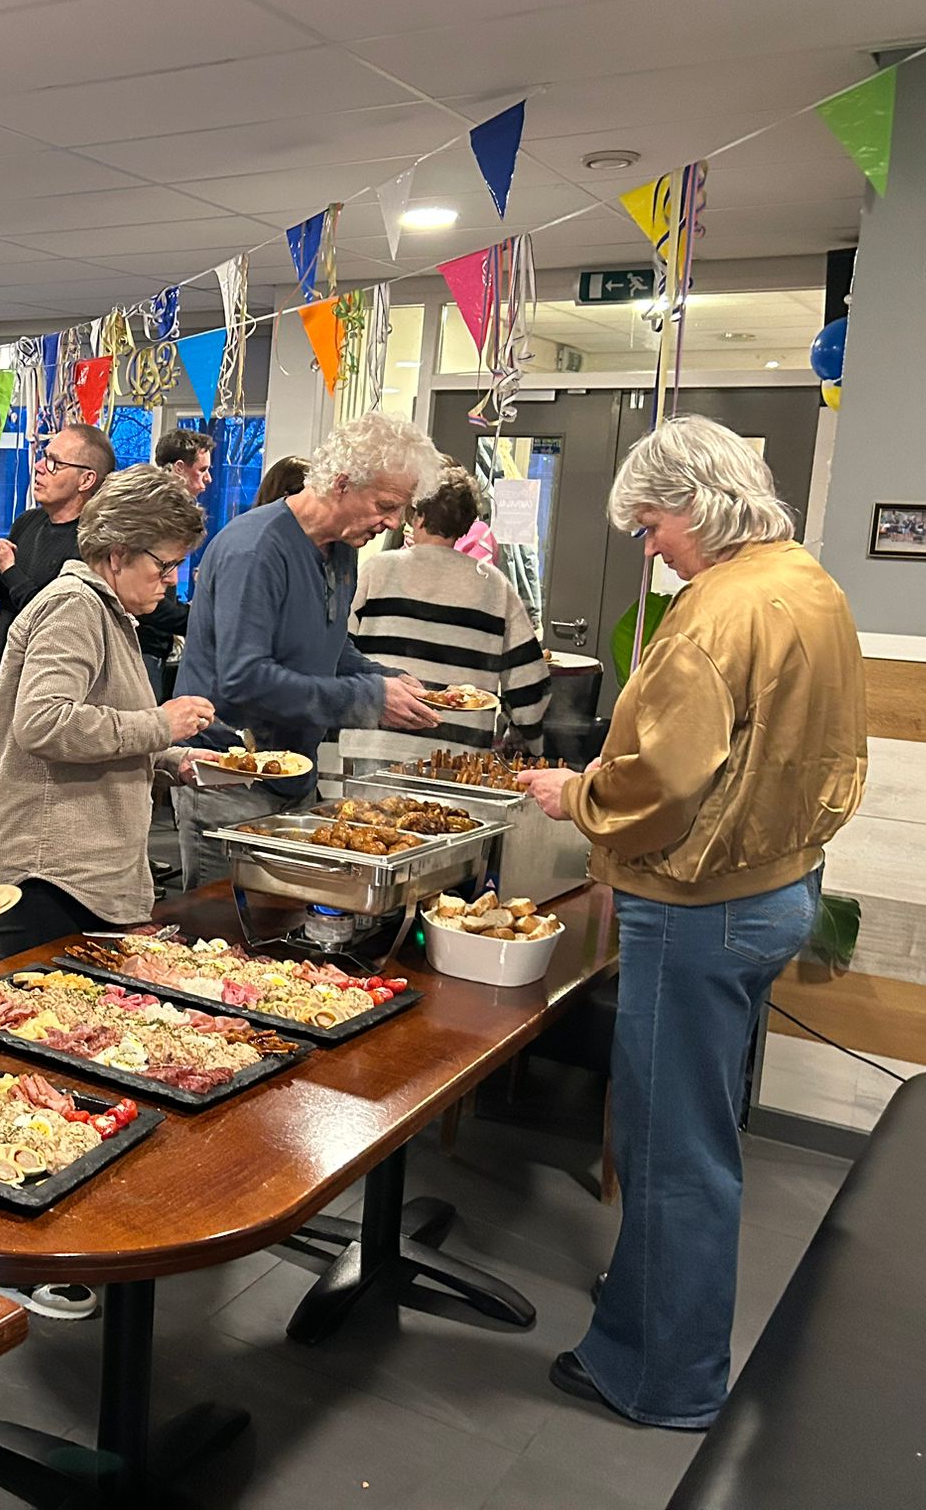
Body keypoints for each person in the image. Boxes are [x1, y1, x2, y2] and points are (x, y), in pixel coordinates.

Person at [515, 415, 867, 1431]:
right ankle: (649, 1302)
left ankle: (662, 1378)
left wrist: (577, 793)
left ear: (697, 507)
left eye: (651, 526)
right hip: (779, 888)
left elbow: (665, 785)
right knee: (699, 1132)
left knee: (672, 1150)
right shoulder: (806, 582)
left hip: (701, 908)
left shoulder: (712, 613)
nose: (650, 548)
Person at [170, 413, 442, 888]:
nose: (394, 523)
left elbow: (328, 646)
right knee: (223, 926)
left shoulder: (342, 548)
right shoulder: (255, 550)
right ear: (341, 483)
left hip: (295, 777)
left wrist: (384, 679)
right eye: (386, 505)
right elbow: (244, 679)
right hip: (229, 780)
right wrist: (368, 699)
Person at [0, 465, 218, 955]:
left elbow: (100, 723)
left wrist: (172, 760)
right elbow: (43, 723)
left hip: (83, 871)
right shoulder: (75, 606)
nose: (171, 580)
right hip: (53, 876)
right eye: (164, 565)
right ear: (118, 554)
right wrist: (161, 725)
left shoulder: (106, 609)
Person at [341, 465, 550, 775]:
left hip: (376, 742)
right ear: (466, 525)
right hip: (457, 756)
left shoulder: (377, 570)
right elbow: (530, 682)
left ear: (418, 516)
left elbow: (339, 649)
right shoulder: (494, 586)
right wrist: (525, 741)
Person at [0, 423, 115, 669]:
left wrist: (9, 571)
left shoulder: (93, 542)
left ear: (86, 480)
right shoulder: (28, 522)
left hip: (52, 679)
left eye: (54, 462)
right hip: (6, 676)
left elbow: (54, 622)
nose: (38, 466)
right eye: (44, 457)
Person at [136, 427, 215, 695]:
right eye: (202, 470)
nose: (209, 479)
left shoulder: (163, 517)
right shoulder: (152, 517)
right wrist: (203, 620)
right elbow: (149, 605)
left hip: (155, 648)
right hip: (141, 649)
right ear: (179, 468)